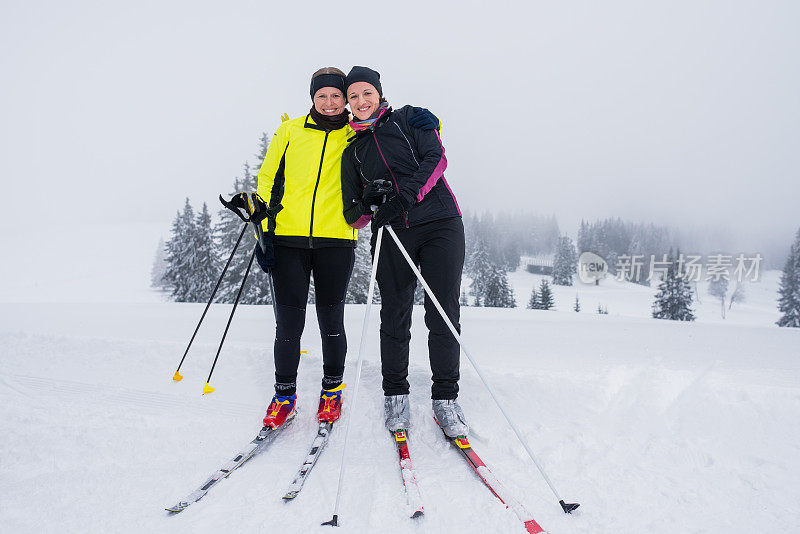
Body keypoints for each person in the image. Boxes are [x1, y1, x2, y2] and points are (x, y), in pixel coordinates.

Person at [254, 67, 439, 430]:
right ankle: (284, 396)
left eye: (336, 96)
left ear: (346, 100)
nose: (329, 102)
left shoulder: (356, 135)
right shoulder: (289, 131)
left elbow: (396, 133)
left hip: (336, 241)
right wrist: (264, 233)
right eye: (321, 96)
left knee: (331, 321)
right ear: (312, 98)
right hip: (287, 239)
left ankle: (331, 390)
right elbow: (267, 180)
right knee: (288, 323)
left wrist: (435, 122)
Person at [340, 66, 469, 438]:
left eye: (367, 93)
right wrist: (369, 201)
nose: (361, 101)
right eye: (353, 97)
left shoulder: (411, 117)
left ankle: (446, 399)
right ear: (348, 104)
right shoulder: (353, 151)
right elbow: (353, 216)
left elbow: (437, 159)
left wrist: (405, 196)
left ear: (379, 93)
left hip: (439, 223)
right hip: (391, 234)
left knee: (442, 312)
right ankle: (395, 395)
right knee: (394, 316)